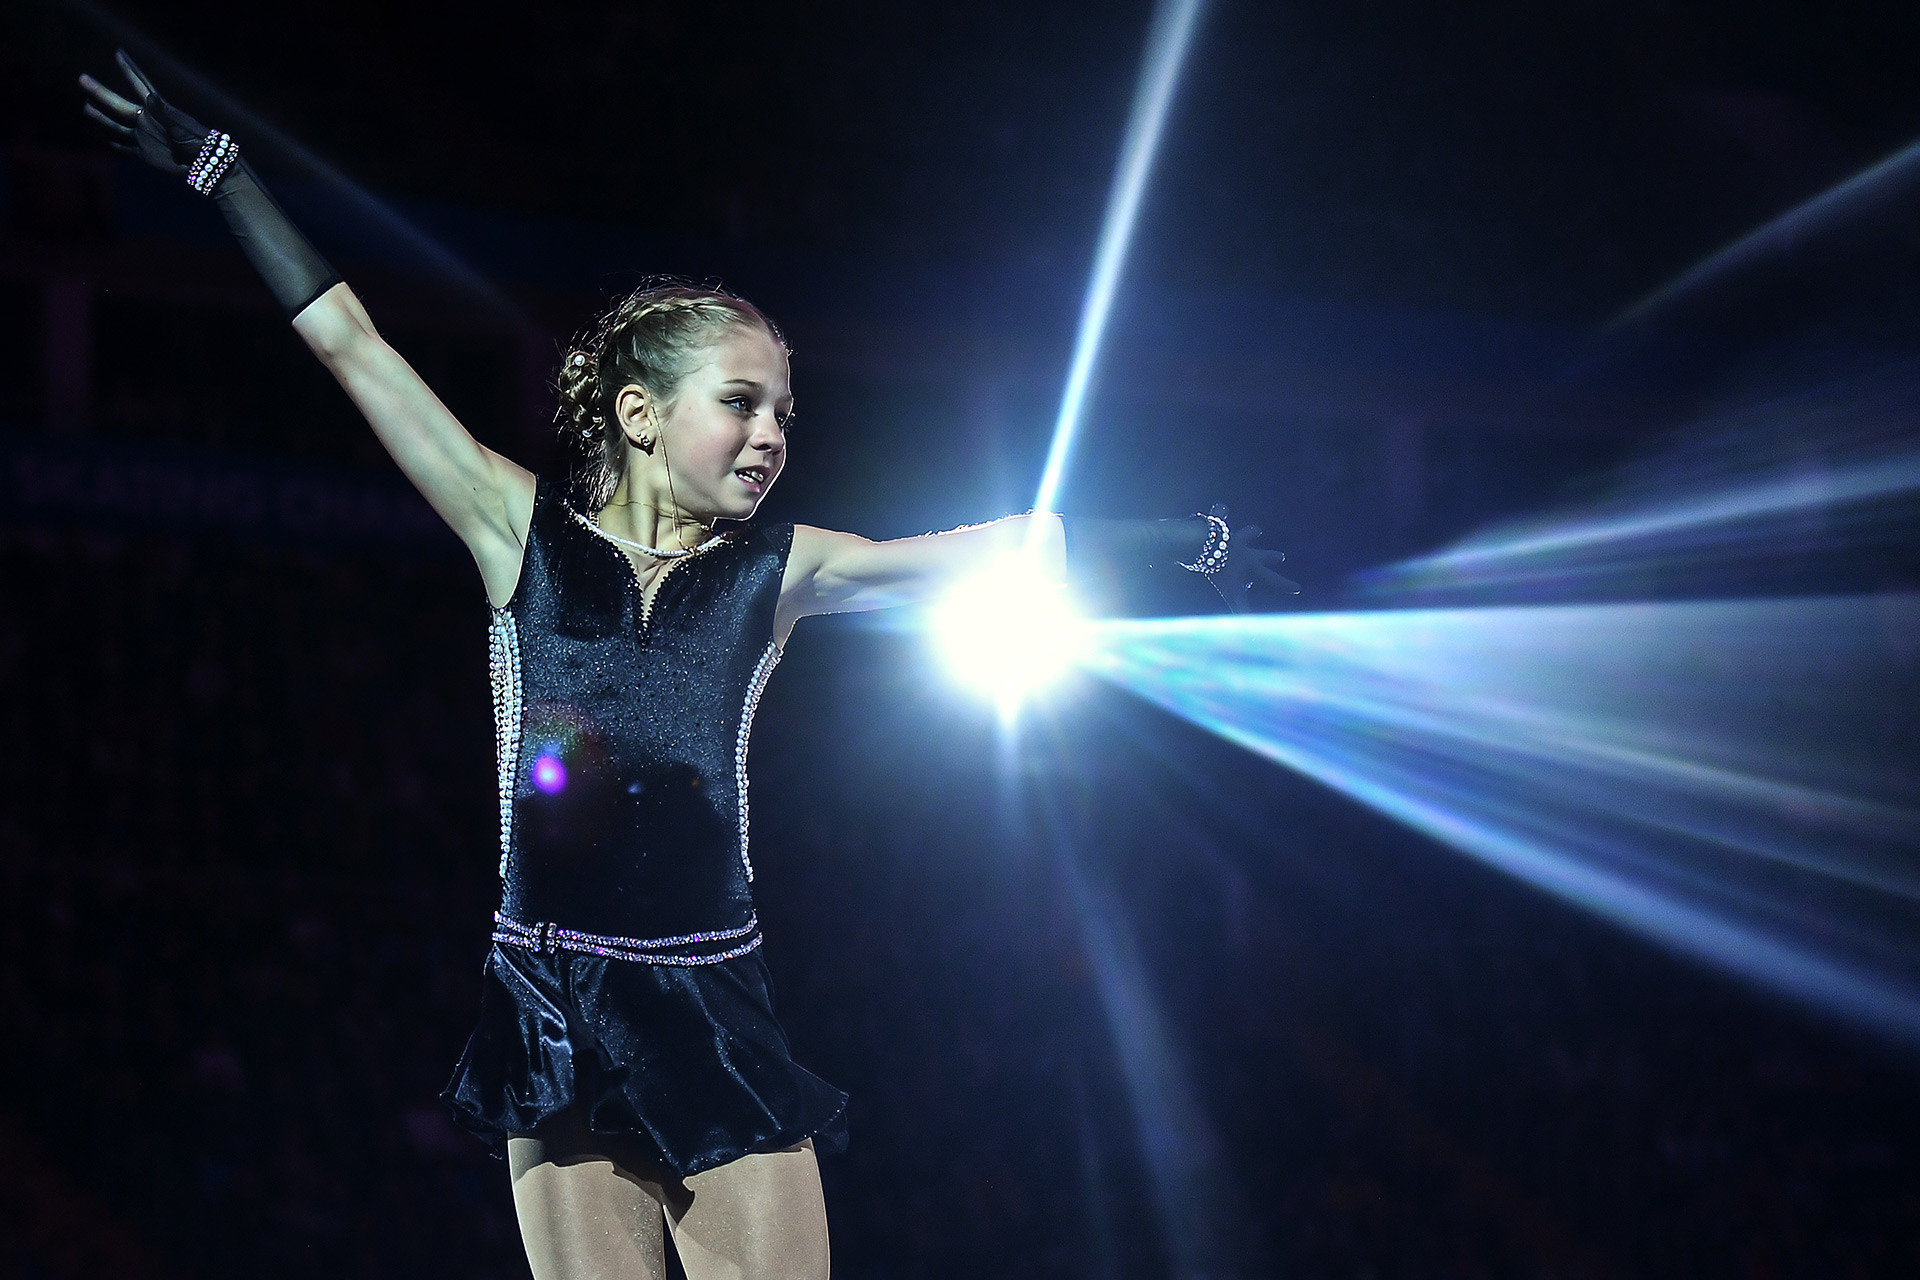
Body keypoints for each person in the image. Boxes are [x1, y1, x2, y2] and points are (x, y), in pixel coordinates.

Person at [80, 52, 1297, 1280]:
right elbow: (352, 345)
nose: (770, 434)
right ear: (639, 411)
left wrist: (1185, 543)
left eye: (782, 410)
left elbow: (1000, 547)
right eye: (740, 403)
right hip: (551, 998)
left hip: (714, 1006)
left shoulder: (782, 571)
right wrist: (218, 171)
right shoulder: (518, 532)